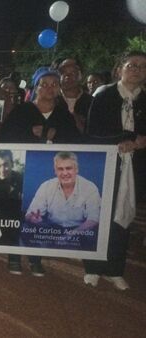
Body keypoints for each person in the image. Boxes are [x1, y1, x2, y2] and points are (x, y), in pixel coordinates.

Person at [83, 51, 146, 291]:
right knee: (99, 214)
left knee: (125, 214)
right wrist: (125, 139)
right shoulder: (104, 95)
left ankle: (115, 268)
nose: (137, 70)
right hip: (105, 163)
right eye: (132, 65)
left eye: (142, 66)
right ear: (120, 68)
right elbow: (92, 133)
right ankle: (93, 267)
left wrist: (141, 142)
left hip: (134, 167)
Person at [0, 150, 46, 276]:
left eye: (6, 164)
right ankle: (14, 258)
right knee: (8, 223)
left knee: (32, 223)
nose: (3, 169)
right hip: (6, 216)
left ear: (12, 164)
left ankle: (35, 261)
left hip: (23, 213)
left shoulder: (21, 178)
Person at [0, 67, 81, 144]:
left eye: (54, 84)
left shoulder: (63, 115)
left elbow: (76, 140)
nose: (50, 88)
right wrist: (30, 133)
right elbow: (4, 136)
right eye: (44, 85)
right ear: (35, 89)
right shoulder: (21, 111)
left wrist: (57, 135)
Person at [25, 151, 100, 231]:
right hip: (51, 230)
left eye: (68, 168)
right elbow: (29, 215)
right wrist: (32, 218)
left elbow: (94, 220)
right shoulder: (46, 186)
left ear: (76, 169)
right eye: (60, 169)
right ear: (55, 171)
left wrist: (70, 235)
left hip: (80, 230)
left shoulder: (90, 187)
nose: (65, 173)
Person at [56, 58, 93, 135]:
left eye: (72, 73)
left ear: (80, 76)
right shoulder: (51, 100)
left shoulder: (92, 102)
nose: (67, 76)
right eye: (63, 73)